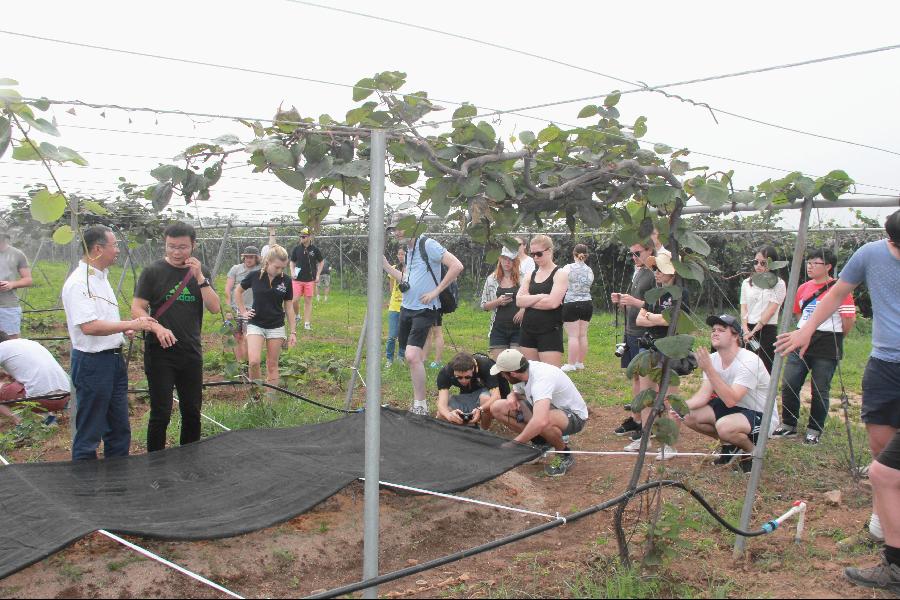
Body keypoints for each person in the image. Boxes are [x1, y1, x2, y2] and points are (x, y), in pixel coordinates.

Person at [777, 210, 900, 592]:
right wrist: (806, 330)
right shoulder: (870, 254)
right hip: (883, 365)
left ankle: (894, 556)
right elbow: (836, 293)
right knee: (881, 452)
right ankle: (882, 528)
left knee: (887, 471)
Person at [63, 225, 155, 460]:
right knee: (90, 431)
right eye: (114, 245)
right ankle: (85, 487)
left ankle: (117, 484)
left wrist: (121, 333)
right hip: (93, 364)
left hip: (112, 360)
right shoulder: (79, 283)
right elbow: (89, 326)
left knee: (118, 428)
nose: (118, 251)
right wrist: (130, 325)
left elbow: (103, 320)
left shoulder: (101, 279)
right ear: (97, 248)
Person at [132, 221, 221, 453]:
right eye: (171, 246)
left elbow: (214, 307)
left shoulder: (201, 273)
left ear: (193, 246)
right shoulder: (153, 272)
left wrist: (200, 277)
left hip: (190, 350)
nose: (176, 252)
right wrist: (157, 328)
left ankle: (189, 458)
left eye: (182, 247)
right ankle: (155, 462)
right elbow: (137, 309)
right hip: (159, 351)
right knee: (161, 412)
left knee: (192, 410)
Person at [381, 213, 463, 415]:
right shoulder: (408, 251)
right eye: (394, 228)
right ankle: (420, 403)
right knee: (412, 357)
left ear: (411, 226)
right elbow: (406, 279)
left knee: (411, 355)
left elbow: (457, 266)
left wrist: (436, 291)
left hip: (425, 309)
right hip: (406, 308)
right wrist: (385, 265)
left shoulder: (428, 244)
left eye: (399, 227)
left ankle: (420, 404)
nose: (396, 232)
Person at [771, 248, 855, 445]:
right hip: (801, 337)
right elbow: (799, 313)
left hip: (827, 341)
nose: (809, 266)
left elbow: (848, 320)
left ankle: (814, 430)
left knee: (820, 388)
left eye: (814, 263)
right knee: (790, 382)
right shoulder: (803, 288)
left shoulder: (839, 288)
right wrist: (804, 330)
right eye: (808, 262)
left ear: (828, 266)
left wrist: (833, 336)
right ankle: (788, 425)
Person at [683, 315, 770, 474]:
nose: (714, 333)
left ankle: (752, 452)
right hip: (734, 411)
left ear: (736, 336)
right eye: (713, 330)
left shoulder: (749, 361)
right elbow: (703, 396)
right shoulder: (713, 359)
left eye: (721, 330)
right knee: (688, 415)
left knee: (724, 426)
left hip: (760, 413)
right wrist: (677, 406)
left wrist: (709, 369)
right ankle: (730, 447)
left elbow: (731, 399)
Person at [489, 348, 588, 477]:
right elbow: (518, 391)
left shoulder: (541, 379)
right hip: (548, 409)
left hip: (574, 417)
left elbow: (540, 420)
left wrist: (514, 444)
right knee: (497, 407)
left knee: (543, 421)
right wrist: (512, 396)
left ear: (512, 373)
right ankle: (541, 444)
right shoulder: (523, 371)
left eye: (503, 373)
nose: (502, 376)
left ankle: (564, 455)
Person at [631, 250, 690, 460]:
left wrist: (653, 318)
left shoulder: (680, 292)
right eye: (654, 268)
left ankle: (669, 444)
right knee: (646, 394)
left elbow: (672, 320)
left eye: (659, 268)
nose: (655, 272)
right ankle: (645, 439)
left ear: (672, 271)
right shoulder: (654, 292)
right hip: (650, 347)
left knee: (668, 397)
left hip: (672, 348)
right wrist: (657, 318)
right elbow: (639, 319)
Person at [611, 241, 656, 439]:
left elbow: (656, 305)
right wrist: (622, 301)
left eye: (637, 253)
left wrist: (634, 302)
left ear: (650, 250)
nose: (634, 257)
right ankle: (636, 419)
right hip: (631, 330)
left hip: (643, 333)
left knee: (646, 379)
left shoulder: (656, 273)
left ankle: (647, 423)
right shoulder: (638, 270)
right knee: (636, 378)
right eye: (632, 254)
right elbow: (636, 300)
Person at [236, 244, 296, 389]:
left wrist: (293, 331)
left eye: (283, 267)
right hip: (256, 324)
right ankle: (256, 396)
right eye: (277, 267)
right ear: (268, 262)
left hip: (276, 326)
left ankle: (270, 402)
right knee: (254, 361)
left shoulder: (286, 281)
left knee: (272, 364)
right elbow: (238, 292)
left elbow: (289, 307)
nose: (280, 271)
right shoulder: (254, 276)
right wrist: (243, 311)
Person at [517, 234, 568, 367]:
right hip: (527, 330)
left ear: (549, 251)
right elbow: (519, 301)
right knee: (530, 373)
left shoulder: (560, 274)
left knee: (550, 375)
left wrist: (529, 300)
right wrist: (540, 296)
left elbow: (552, 303)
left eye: (538, 254)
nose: (535, 258)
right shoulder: (530, 274)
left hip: (550, 331)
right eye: (532, 254)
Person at [0, 330, 70, 427]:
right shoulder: (29, 343)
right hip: (65, 398)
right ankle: (47, 416)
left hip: (42, 401)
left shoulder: (1, 348)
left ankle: (20, 421)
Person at [740, 246, 787, 373]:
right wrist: (745, 330)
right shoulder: (747, 282)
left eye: (763, 263)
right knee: (745, 368)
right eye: (756, 262)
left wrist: (754, 331)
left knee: (764, 368)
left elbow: (771, 310)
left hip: (766, 329)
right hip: (747, 330)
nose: (758, 266)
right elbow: (743, 307)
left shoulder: (779, 284)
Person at [436, 351, 510, 430]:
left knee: (485, 399)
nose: (463, 380)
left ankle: (483, 431)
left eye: (467, 377)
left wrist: (480, 409)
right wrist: (448, 415)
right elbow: (441, 404)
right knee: (441, 414)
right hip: (469, 396)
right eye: (459, 377)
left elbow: (496, 396)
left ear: (474, 369)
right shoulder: (445, 372)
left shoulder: (486, 366)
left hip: (485, 396)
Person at [480, 246, 523, 360]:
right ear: (500, 259)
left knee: (515, 363)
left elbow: (531, 300)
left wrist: (523, 310)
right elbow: (484, 305)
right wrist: (498, 302)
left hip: (519, 328)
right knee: (499, 364)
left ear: (516, 261)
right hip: (498, 328)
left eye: (511, 259)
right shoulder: (491, 279)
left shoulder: (523, 278)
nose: (507, 262)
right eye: (504, 258)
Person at [561, 243, 594, 372]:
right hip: (587, 303)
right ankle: (580, 362)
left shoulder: (567, 268)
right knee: (583, 335)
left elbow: (561, 283)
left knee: (573, 336)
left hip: (571, 303)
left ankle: (570, 364)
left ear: (574, 254)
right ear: (586, 256)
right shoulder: (589, 270)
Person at [224, 246, 261, 363]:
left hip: (252, 308)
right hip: (236, 308)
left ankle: (250, 363)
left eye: (251, 257)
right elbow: (228, 289)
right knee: (237, 337)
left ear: (257, 258)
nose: (248, 259)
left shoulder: (260, 269)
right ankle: (241, 364)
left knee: (248, 336)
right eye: (246, 257)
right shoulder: (236, 269)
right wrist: (228, 308)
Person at [289, 226, 324, 331]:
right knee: (294, 300)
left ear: (309, 237)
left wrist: (318, 275)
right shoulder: (296, 249)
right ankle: (297, 315)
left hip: (310, 280)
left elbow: (321, 261)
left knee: (308, 301)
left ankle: (307, 323)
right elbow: (292, 262)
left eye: (304, 236)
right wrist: (292, 272)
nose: (302, 238)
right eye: (301, 236)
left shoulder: (315, 249)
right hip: (297, 279)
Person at [0, 229, 33, 339]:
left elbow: (28, 279)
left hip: (7, 306)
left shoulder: (17, 254)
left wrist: (11, 284)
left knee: (11, 341)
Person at [384, 246, 406, 367]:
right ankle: (389, 359)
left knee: (403, 334)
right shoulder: (393, 269)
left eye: (403, 254)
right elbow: (392, 288)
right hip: (394, 306)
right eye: (399, 254)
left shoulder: (412, 268)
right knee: (392, 335)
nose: (400, 256)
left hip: (407, 307)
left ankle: (401, 357)